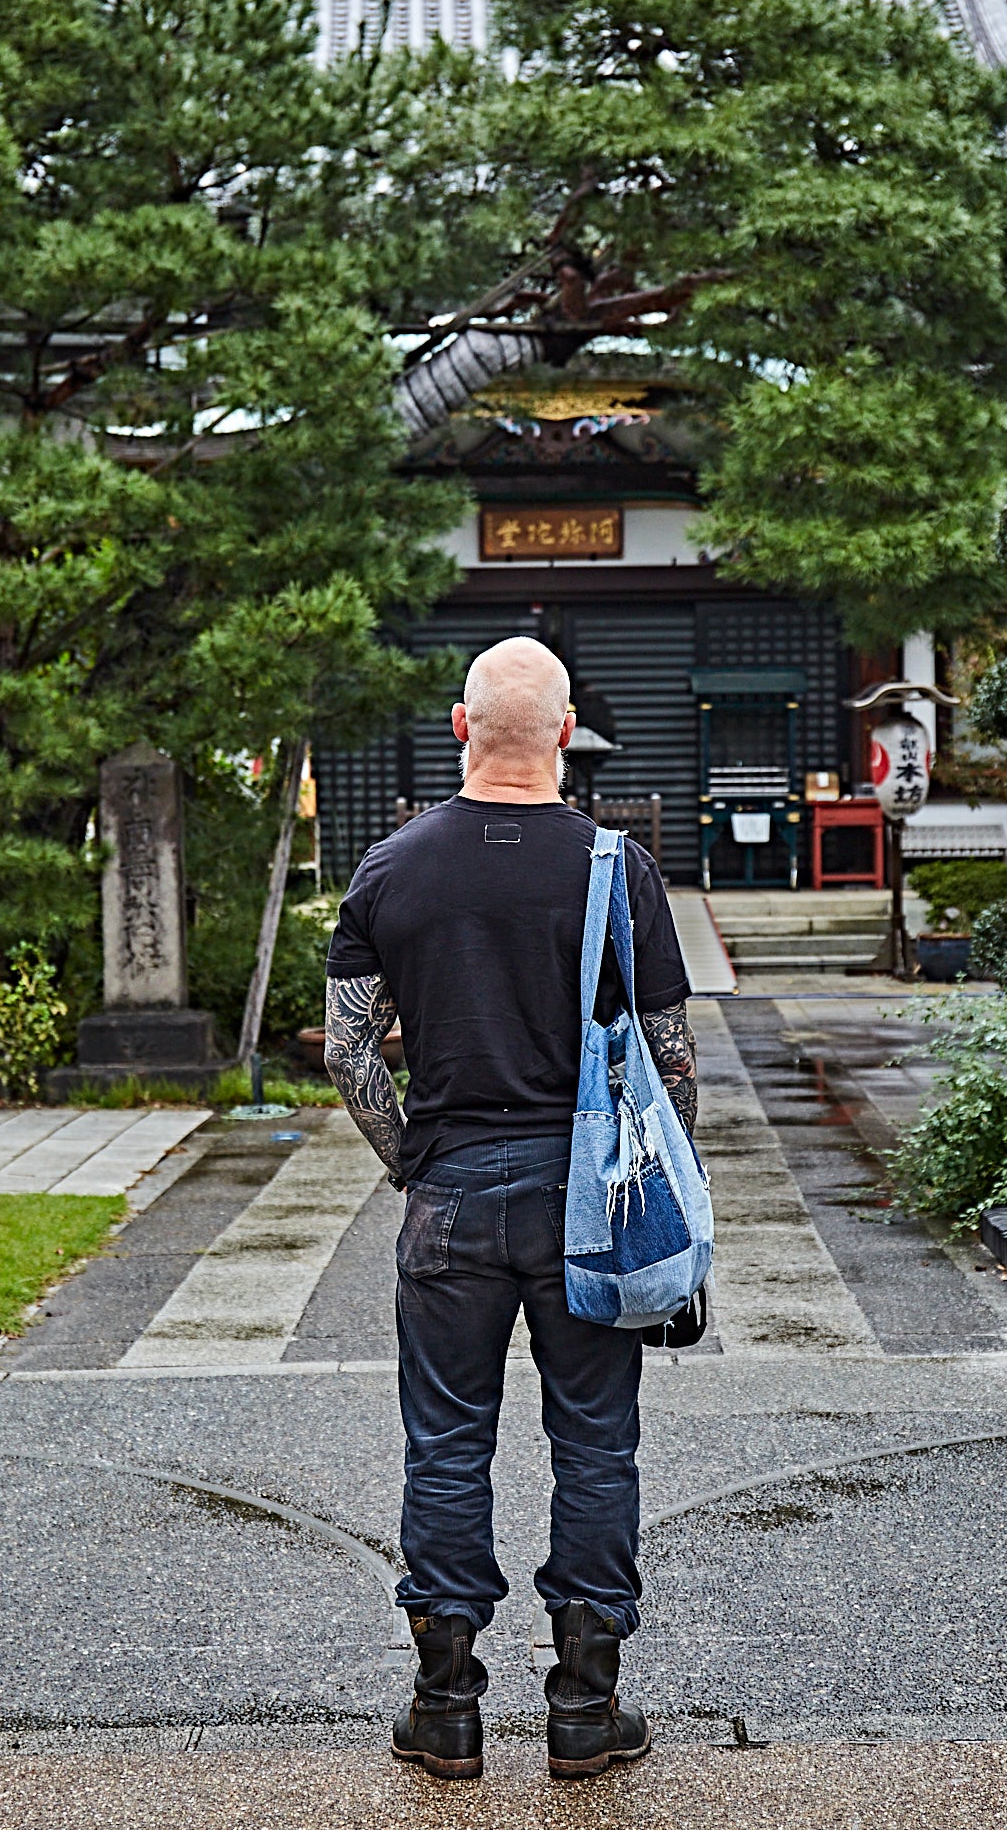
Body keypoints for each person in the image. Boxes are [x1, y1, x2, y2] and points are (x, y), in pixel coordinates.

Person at [323, 636, 696, 1783]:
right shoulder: (616, 869)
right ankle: (584, 1707)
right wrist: (654, 1198)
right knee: (595, 1441)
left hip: (448, 1196)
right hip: (585, 1201)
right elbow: (672, 1061)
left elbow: (346, 1048)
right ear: (567, 731)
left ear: (460, 725)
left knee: (446, 1443)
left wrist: (411, 1158)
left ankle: (445, 1709)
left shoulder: (392, 866)